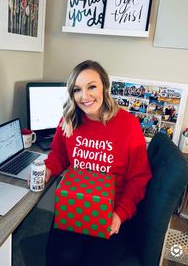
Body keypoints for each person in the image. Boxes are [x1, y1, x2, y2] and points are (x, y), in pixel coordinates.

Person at [44, 60, 151, 266]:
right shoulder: (69, 120)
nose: (84, 96)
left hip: (112, 212)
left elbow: (139, 178)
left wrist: (120, 214)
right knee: (59, 258)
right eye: (77, 89)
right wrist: (48, 168)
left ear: (105, 86)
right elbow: (59, 154)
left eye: (91, 86)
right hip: (75, 207)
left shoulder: (129, 125)